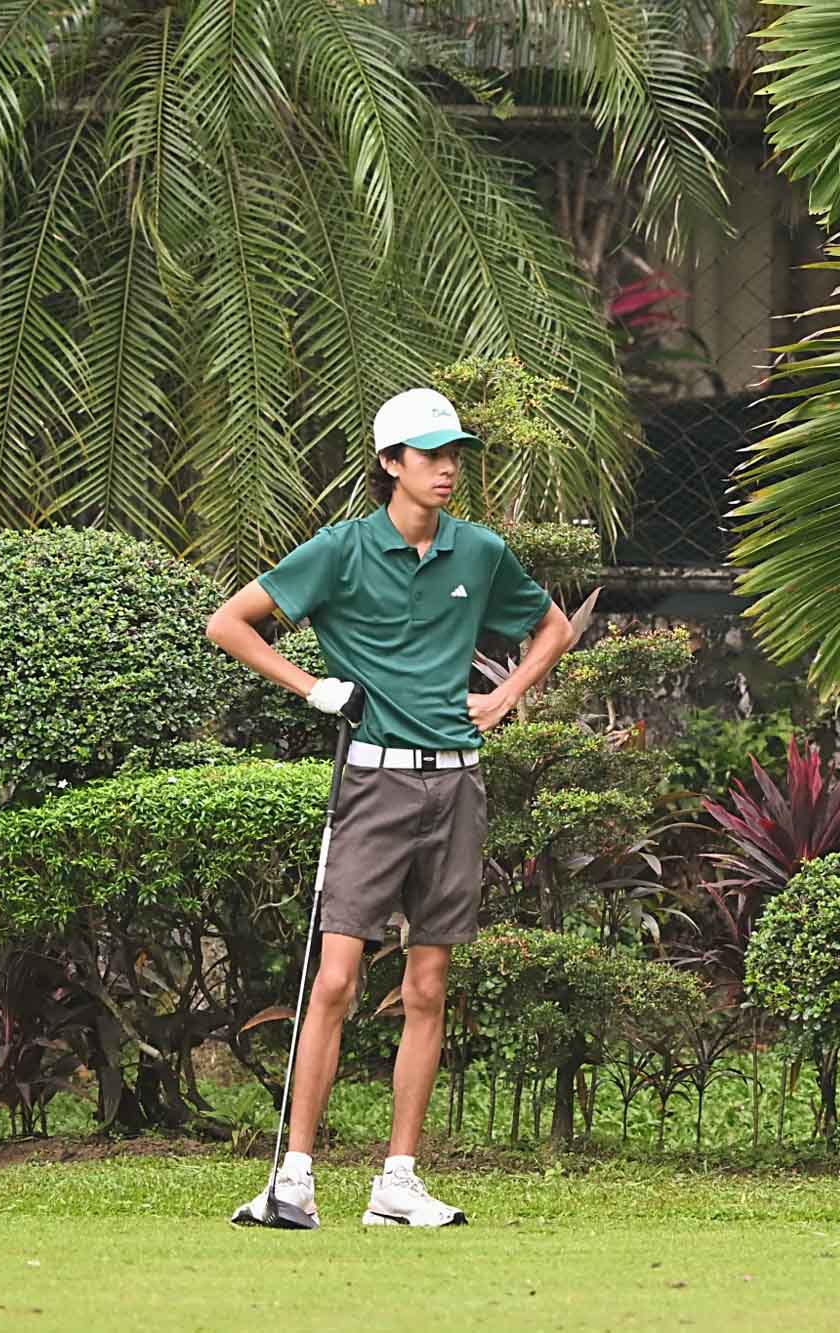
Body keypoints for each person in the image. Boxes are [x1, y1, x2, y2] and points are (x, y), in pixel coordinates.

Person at [206, 387, 573, 1228]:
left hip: (457, 784)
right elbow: (230, 623)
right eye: (430, 455)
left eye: (454, 455)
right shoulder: (341, 550)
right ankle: (294, 1177)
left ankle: (397, 1184)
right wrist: (312, 687)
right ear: (389, 463)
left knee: (428, 984)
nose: (447, 469)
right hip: (372, 785)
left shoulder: (479, 551)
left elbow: (552, 626)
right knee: (336, 979)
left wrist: (507, 694)